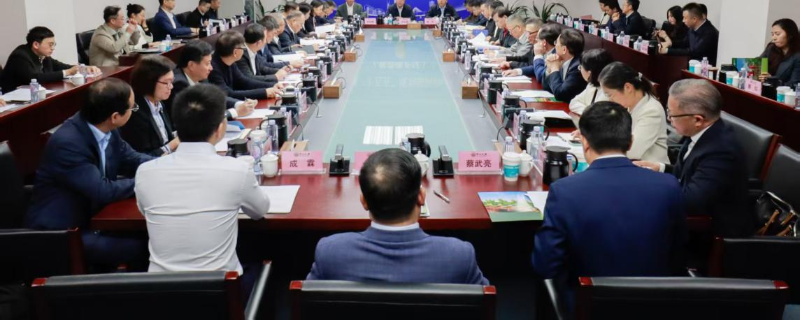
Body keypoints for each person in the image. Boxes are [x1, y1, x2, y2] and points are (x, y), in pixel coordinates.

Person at [533, 102, 685, 307]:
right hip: (656, 303)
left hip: (589, 304)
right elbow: (678, 253)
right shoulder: (668, 185)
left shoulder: (565, 190)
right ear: (630, 142)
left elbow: (546, 263)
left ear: (585, 142)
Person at [135, 85, 269, 276]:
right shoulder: (237, 170)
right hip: (221, 288)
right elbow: (260, 210)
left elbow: (145, 211)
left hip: (160, 289)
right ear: (220, 129)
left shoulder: (145, 172)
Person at [307, 148, 488, 284]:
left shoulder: (330, 252)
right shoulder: (459, 256)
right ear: (421, 196)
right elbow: (484, 306)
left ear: (364, 201)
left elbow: (308, 305)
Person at [26, 78, 154, 268]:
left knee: (155, 233)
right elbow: (102, 191)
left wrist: (166, 167)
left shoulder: (107, 128)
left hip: (94, 218)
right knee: (146, 246)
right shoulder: (68, 143)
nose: (134, 110)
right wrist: (147, 181)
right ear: (115, 116)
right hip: (64, 232)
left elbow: (132, 158)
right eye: (132, 107)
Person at [635, 79, 751, 237]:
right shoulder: (701, 131)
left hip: (709, 234)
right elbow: (688, 174)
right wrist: (660, 168)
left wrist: (648, 189)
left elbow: (692, 202)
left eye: (672, 115)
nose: (669, 119)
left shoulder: (721, 151)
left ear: (697, 119)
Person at [166, 40, 255, 121]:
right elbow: (198, 119)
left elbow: (214, 98)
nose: (211, 68)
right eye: (207, 64)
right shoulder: (179, 84)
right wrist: (235, 112)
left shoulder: (200, 76)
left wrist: (239, 104)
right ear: (191, 65)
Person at [598, 62, 669, 163]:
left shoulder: (652, 111)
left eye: (610, 95)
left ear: (628, 87)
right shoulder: (627, 102)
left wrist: (597, 144)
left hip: (648, 168)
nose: (609, 100)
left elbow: (632, 151)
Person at [2, 26, 99, 93]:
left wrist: (84, 68)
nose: (53, 48)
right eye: (50, 44)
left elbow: (61, 66)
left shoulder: (42, 55)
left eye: (54, 44)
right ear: (36, 44)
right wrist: (67, 72)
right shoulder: (20, 56)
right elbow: (34, 78)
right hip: (14, 100)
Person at [119, 56, 179, 157]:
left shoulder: (159, 101)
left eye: (171, 82)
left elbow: (166, 137)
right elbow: (142, 156)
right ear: (149, 81)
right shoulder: (135, 111)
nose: (171, 87)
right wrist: (173, 145)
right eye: (166, 82)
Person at [208, 31, 282, 100]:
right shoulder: (213, 69)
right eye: (243, 48)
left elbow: (244, 81)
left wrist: (272, 85)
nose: (244, 50)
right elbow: (228, 94)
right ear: (235, 52)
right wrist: (264, 92)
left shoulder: (230, 61)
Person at [542, 29, 586, 102]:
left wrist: (554, 69)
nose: (555, 46)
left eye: (556, 43)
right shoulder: (562, 60)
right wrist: (549, 69)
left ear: (564, 49)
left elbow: (561, 94)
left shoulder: (577, 67)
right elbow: (546, 87)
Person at [569, 49, 612, 116]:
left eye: (580, 67)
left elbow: (597, 115)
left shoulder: (608, 92)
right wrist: (588, 112)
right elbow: (573, 103)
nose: (580, 70)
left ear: (589, 73)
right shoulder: (591, 85)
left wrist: (587, 111)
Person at [758, 18, 800, 87]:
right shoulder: (771, 48)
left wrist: (771, 80)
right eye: (772, 34)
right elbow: (758, 62)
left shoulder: (797, 56)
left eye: (777, 34)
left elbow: (794, 85)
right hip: (765, 89)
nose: (774, 38)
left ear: (790, 34)